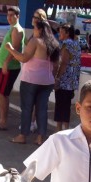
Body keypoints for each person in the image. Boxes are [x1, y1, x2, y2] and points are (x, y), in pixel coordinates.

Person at [6, 15, 59, 145]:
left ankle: (22, 135)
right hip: (47, 81)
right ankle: (41, 137)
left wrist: (11, 49)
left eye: (34, 28)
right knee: (42, 109)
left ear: (39, 29)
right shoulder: (54, 44)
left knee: (27, 108)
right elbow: (56, 65)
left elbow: (24, 58)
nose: (33, 30)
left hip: (31, 80)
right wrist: (53, 78)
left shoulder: (36, 41)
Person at [0, 6, 24, 131]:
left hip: (9, 67)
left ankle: (3, 122)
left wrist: (5, 64)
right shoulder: (12, 29)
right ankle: (1, 119)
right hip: (3, 66)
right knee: (1, 93)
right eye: (8, 15)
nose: (9, 18)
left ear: (17, 16)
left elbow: (14, 49)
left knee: (1, 93)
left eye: (12, 15)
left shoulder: (17, 30)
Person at [54, 23, 81, 132]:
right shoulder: (76, 44)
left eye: (61, 32)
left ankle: (59, 129)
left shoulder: (66, 44)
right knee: (66, 106)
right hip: (73, 80)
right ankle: (65, 129)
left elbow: (64, 63)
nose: (59, 34)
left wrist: (58, 78)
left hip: (65, 80)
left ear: (67, 33)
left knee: (60, 105)